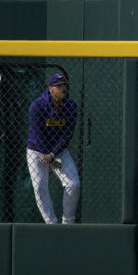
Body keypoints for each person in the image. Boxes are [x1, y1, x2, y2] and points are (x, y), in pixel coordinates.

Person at [26, 72, 80, 225]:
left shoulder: (70, 106)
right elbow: (37, 133)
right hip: (36, 151)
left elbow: (67, 135)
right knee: (39, 187)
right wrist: (47, 156)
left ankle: (68, 222)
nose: (63, 88)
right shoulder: (37, 105)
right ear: (51, 89)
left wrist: (53, 154)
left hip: (58, 151)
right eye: (59, 85)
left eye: (65, 85)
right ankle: (51, 224)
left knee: (73, 184)